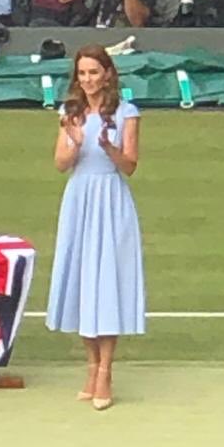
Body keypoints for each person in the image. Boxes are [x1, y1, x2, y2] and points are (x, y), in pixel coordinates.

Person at [46, 44, 145, 410]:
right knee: (83, 280)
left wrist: (106, 146)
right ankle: (90, 367)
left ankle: (106, 371)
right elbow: (60, 163)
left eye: (94, 72)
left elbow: (130, 164)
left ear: (107, 74)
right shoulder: (69, 112)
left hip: (111, 198)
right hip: (79, 199)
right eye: (82, 73)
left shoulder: (126, 112)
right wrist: (74, 144)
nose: (88, 79)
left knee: (107, 281)